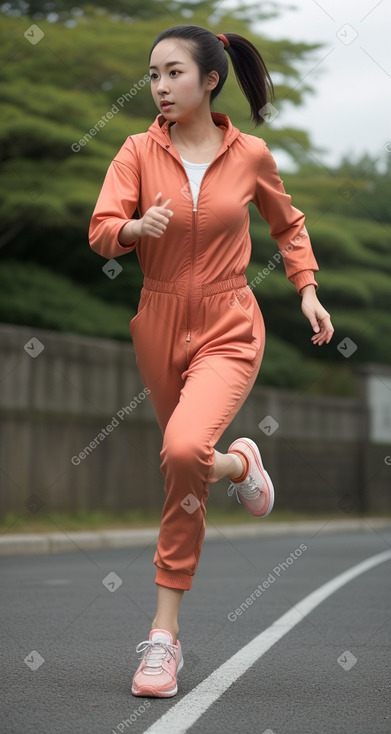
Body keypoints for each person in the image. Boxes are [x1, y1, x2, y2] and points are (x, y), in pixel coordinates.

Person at [88, 24, 334, 698]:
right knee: (188, 463)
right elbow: (101, 230)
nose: (159, 87)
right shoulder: (136, 150)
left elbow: (288, 224)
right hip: (158, 322)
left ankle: (161, 638)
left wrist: (306, 291)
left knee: (181, 449)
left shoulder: (249, 154)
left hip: (229, 324)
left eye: (172, 74)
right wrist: (135, 229)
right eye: (153, 75)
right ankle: (239, 465)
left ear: (208, 80)